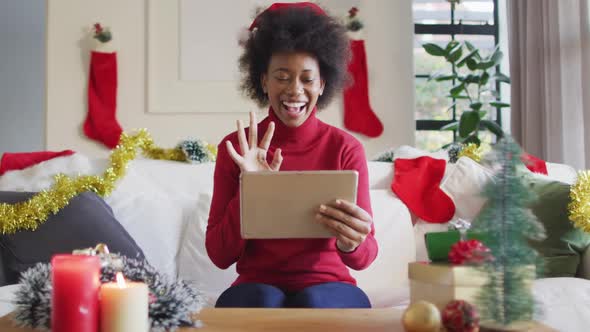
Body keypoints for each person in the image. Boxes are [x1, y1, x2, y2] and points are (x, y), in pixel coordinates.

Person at [206, 2, 378, 308]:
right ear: (263, 81)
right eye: (282, 77)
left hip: (330, 285)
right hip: (256, 286)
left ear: (323, 83)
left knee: (314, 301)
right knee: (262, 299)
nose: (295, 90)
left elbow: (364, 259)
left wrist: (352, 241)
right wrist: (251, 188)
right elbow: (219, 256)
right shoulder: (237, 147)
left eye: (307, 79)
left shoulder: (346, 148)